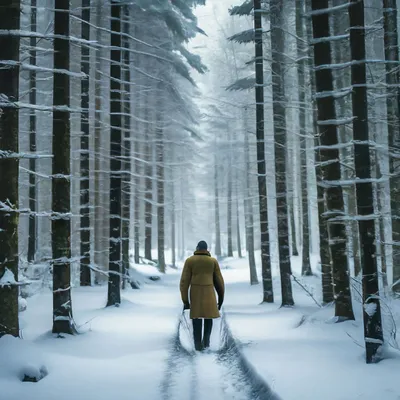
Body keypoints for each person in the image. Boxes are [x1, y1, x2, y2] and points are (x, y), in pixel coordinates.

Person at [179, 240, 225, 351]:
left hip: (195, 293)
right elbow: (219, 282)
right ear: (207, 249)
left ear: (197, 248)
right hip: (209, 293)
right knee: (209, 318)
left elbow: (184, 282)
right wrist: (221, 299)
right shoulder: (212, 262)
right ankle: (206, 343)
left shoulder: (190, 261)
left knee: (196, 318)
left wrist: (185, 301)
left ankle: (197, 345)